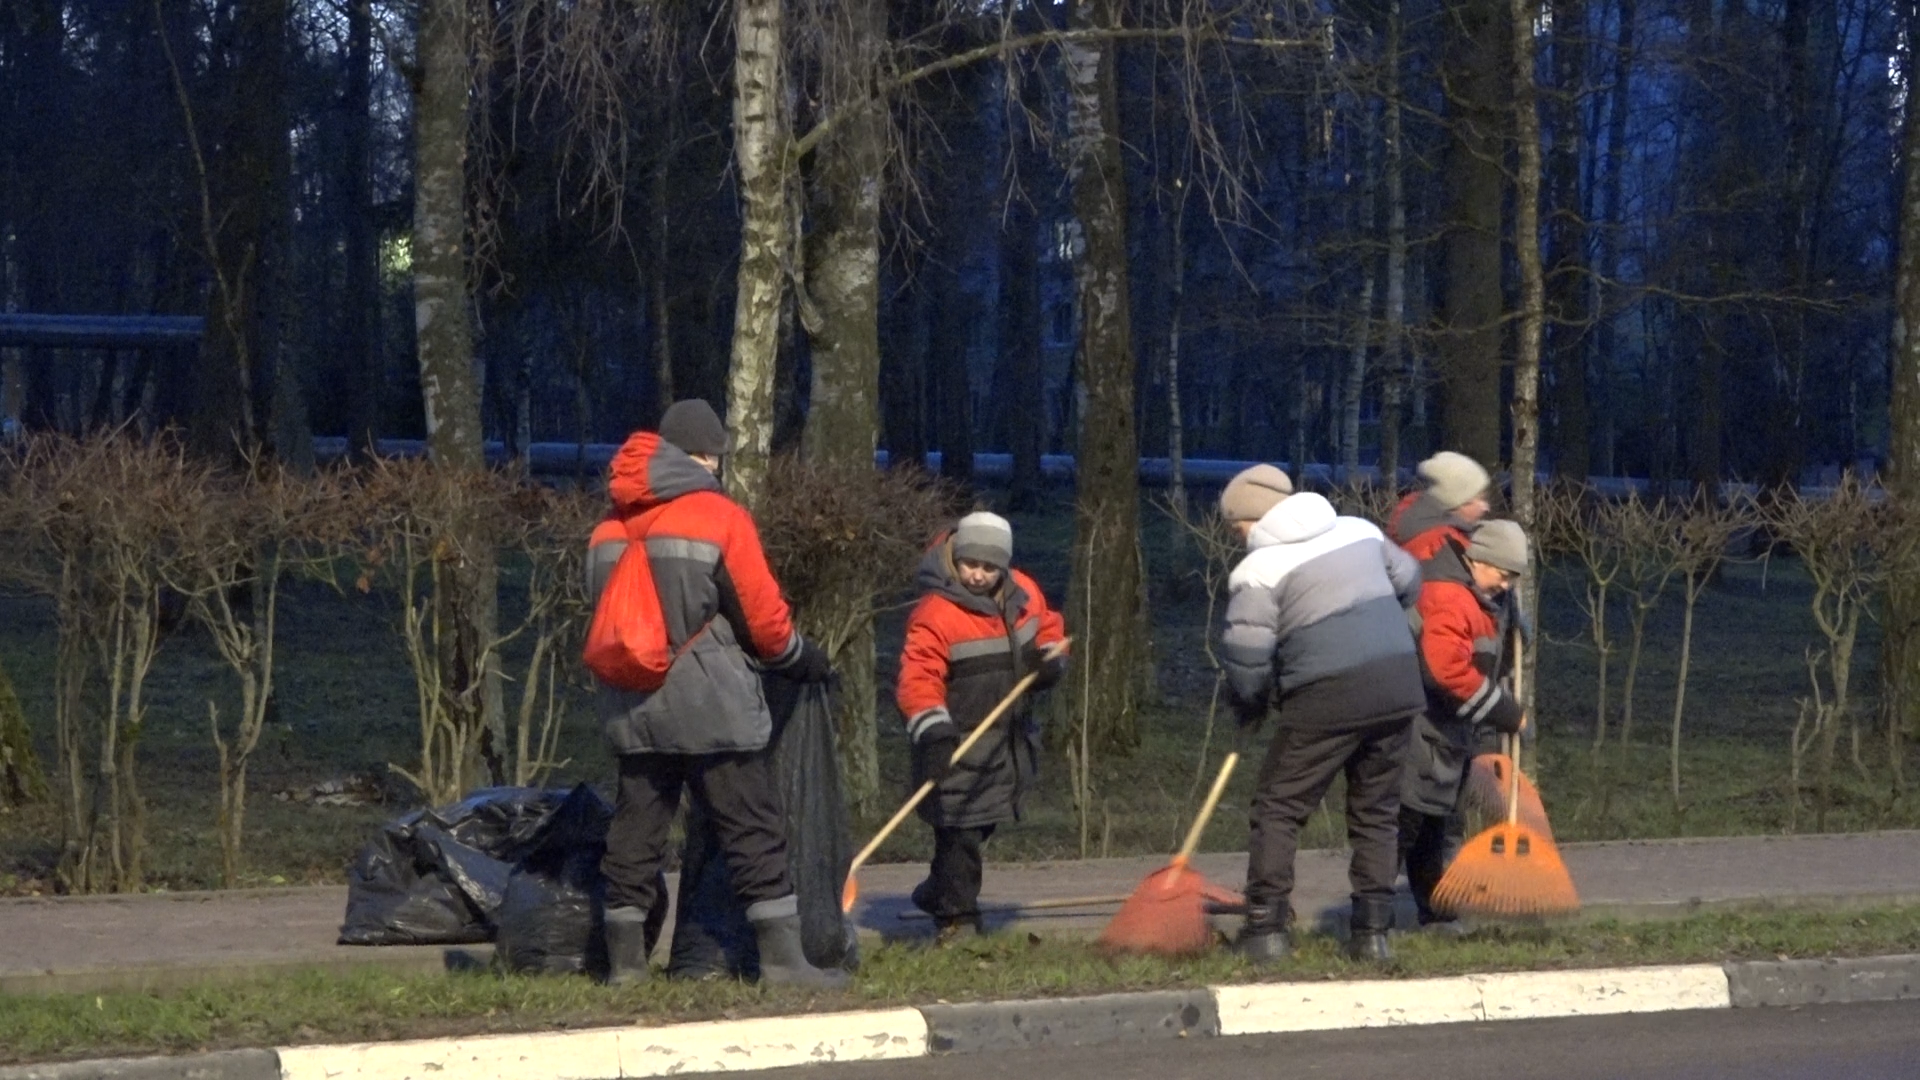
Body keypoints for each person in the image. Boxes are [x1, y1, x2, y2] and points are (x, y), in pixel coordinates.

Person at [584, 399, 844, 987]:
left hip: (631, 701)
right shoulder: (717, 516)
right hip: (710, 705)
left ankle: (626, 967)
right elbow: (765, 623)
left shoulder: (607, 525)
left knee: (636, 830)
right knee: (752, 824)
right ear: (703, 457)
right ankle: (783, 962)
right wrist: (801, 659)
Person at [1218, 465, 1425, 964]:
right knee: (1377, 811)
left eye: (1235, 525)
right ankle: (1372, 934)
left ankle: (1266, 929)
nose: (1237, 536)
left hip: (1326, 693)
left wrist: (1249, 700)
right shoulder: (1361, 530)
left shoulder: (1260, 570)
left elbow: (1248, 655)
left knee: (1279, 807)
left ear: (1252, 518)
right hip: (1398, 683)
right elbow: (1411, 580)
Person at [896, 512, 1068, 942]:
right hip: (955, 741)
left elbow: (1048, 626)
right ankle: (958, 920)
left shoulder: (1024, 592)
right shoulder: (935, 614)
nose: (977, 574)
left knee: (981, 824)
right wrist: (932, 729)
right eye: (970, 563)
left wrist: (1048, 660)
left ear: (1004, 567)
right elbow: (918, 677)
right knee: (959, 832)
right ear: (955, 557)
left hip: (1006, 740)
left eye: (989, 567)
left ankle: (940, 891)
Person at [1400, 520, 1529, 932]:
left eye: (1512, 579)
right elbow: (1446, 672)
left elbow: (1486, 657)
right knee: (1406, 823)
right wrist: (1507, 712)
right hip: (1419, 723)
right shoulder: (1450, 597)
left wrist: (1512, 622)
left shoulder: (1482, 597)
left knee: (1432, 822)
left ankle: (1434, 910)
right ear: (1480, 560)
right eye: (1502, 575)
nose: (1505, 585)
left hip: (1446, 729)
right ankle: (1371, 918)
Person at [1388, 451, 1492, 561]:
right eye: (1479, 499)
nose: (1486, 508)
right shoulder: (1443, 549)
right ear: (1458, 503)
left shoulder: (1414, 522)